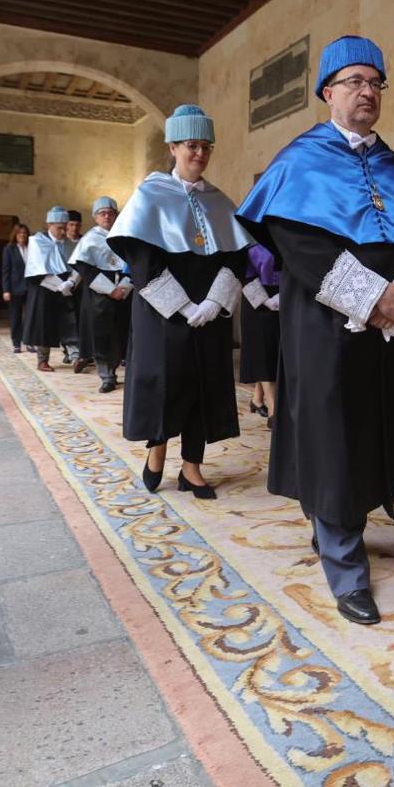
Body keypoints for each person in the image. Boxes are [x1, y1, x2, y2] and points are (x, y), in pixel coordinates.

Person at [237, 35, 394, 627]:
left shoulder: (393, 164)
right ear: (328, 92)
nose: (367, 92)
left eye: (375, 83)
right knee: (332, 434)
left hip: (388, 333)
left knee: (372, 428)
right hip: (327, 327)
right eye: (354, 82)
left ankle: (337, 525)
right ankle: (346, 563)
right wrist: (373, 298)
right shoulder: (301, 159)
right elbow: (298, 243)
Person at [109, 105, 250, 499]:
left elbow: (236, 258)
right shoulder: (150, 194)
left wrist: (214, 302)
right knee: (164, 384)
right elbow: (142, 259)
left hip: (210, 314)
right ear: (173, 147)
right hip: (163, 313)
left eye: (206, 146)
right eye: (192, 145)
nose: (200, 154)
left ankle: (192, 467)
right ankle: (157, 450)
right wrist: (184, 306)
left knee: (203, 386)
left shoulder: (220, 201)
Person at [70, 196, 133, 393]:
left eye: (110, 213)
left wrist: (125, 286)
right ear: (95, 217)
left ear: (116, 215)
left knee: (123, 333)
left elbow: (135, 263)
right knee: (102, 336)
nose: (106, 216)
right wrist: (111, 290)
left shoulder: (126, 236)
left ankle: (126, 372)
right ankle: (107, 376)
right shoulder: (89, 239)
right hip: (99, 295)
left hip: (124, 292)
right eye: (102, 213)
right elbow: (85, 269)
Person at [22, 206, 78, 372]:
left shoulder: (70, 244)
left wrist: (70, 282)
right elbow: (36, 270)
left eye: (65, 227)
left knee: (70, 322)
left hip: (66, 289)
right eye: (59, 228)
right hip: (43, 288)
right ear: (49, 225)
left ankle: (76, 357)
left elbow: (77, 266)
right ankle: (42, 360)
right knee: (43, 325)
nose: (63, 231)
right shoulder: (37, 242)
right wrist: (57, 285)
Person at [240, 242, 281, 420]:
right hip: (256, 299)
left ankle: (257, 400)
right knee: (262, 351)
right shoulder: (247, 238)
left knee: (275, 350)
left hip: (284, 296)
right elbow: (240, 270)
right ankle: (274, 410)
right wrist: (264, 300)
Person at [0, 222, 30, 353]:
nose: (22, 235)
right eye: (19, 233)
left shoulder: (32, 248)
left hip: (30, 288)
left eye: (24, 233)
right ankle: (16, 343)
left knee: (29, 317)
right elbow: (5, 271)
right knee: (15, 317)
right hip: (14, 288)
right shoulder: (9, 249)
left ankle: (29, 342)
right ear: (15, 235)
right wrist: (6, 290)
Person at [61, 210, 84, 368]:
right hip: (64, 284)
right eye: (71, 224)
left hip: (81, 285)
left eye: (77, 225)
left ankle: (81, 351)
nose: (74, 228)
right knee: (67, 318)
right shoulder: (62, 243)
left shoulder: (84, 241)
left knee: (81, 318)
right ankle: (69, 351)